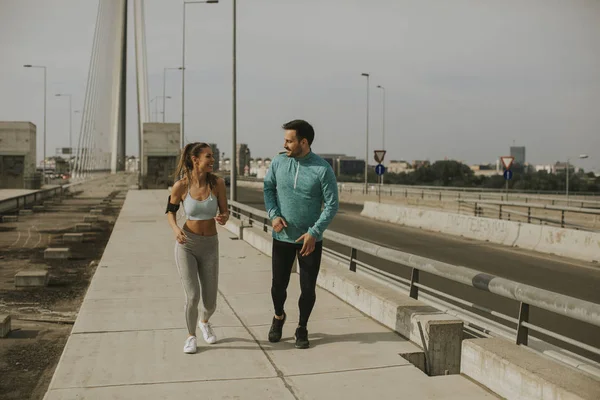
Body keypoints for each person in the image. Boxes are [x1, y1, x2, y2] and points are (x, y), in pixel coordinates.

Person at [263, 119, 339, 349]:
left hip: (309, 241)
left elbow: (332, 204)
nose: (284, 144)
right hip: (282, 238)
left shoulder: (322, 169)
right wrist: (273, 215)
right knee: (278, 287)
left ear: (303, 142)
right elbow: (268, 189)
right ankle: (278, 317)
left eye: (289, 140)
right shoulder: (278, 162)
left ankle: (302, 327)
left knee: (307, 288)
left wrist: (314, 233)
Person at [166, 142, 229, 354]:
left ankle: (204, 321)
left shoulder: (218, 183)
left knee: (210, 302)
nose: (213, 160)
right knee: (193, 296)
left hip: (210, 245)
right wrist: (175, 229)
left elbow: (225, 211)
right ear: (195, 160)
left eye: (212, 156)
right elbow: (170, 211)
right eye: (208, 157)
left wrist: (223, 217)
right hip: (187, 244)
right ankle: (191, 336)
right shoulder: (181, 186)